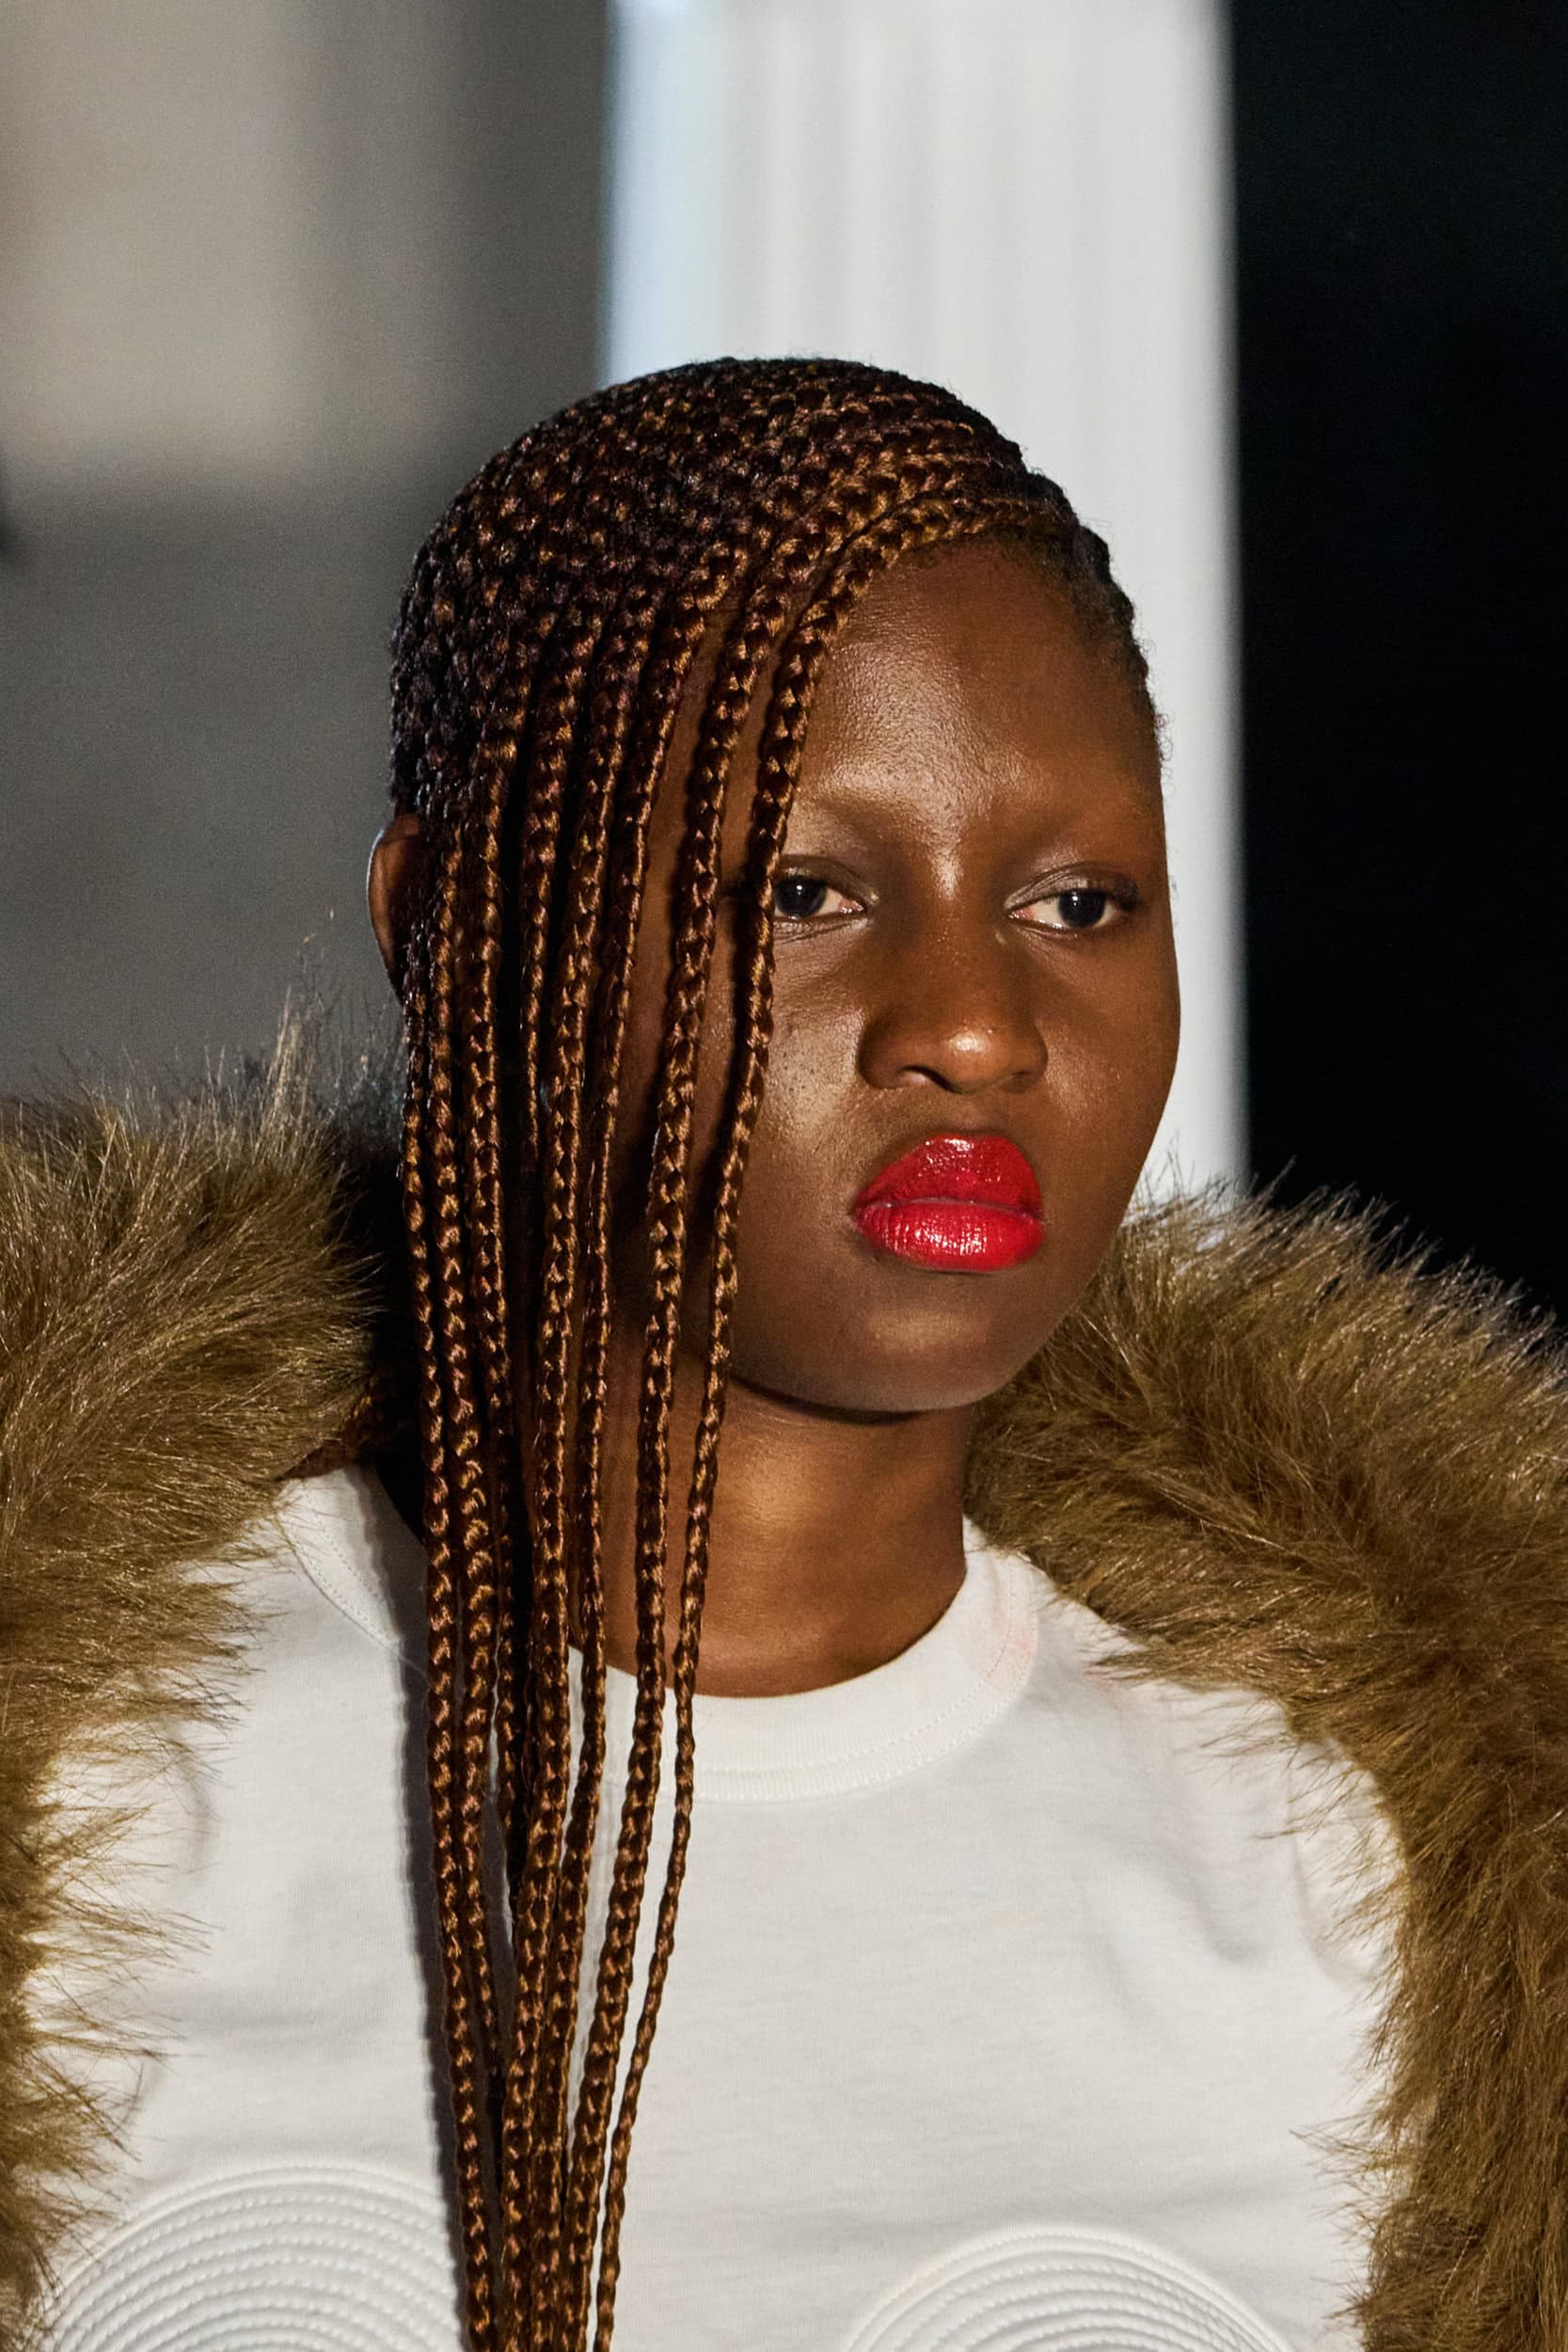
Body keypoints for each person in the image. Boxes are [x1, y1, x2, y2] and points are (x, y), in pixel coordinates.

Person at [4, 358, 1566, 2352]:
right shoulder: (86, 1786)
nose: (974, 1026)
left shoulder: (1368, 1888)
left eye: (1077, 900)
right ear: (459, 922)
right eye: (809, 891)